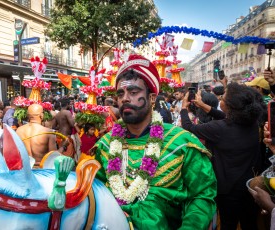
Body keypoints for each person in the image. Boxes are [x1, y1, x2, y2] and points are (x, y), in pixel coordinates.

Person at [94, 54, 217, 229]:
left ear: (152, 98)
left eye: (134, 92)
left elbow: (202, 196)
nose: (125, 98)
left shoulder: (182, 143)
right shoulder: (105, 144)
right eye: (120, 93)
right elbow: (95, 192)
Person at [180, 82, 266, 230]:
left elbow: (189, 127)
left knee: (227, 224)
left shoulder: (219, 129)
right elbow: (224, 116)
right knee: (249, 223)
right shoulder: (253, 123)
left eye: (223, 99)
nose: (220, 100)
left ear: (230, 106)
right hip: (250, 186)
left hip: (227, 189)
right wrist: (202, 105)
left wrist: (183, 108)